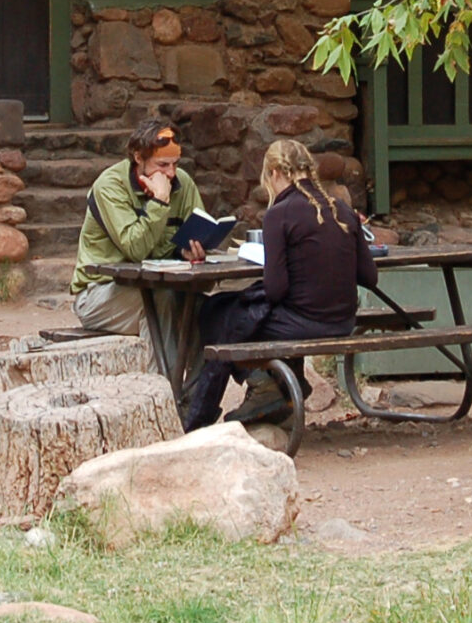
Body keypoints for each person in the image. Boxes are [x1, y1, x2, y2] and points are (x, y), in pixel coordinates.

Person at [181, 139, 373, 432]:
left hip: (304, 323)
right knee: (234, 313)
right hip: (342, 321)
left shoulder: (279, 213)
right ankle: (273, 388)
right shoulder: (342, 210)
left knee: (220, 314)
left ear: (274, 173)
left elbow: (276, 290)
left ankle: (211, 411)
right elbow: (369, 277)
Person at [72, 118, 206, 334]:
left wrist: (190, 250)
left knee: (202, 308)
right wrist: (159, 202)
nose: (171, 173)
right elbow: (136, 249)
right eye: (162, 165)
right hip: (100, 292)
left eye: (175, 164)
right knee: (161, 301)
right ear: (138, 158)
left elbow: (199, 229)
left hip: (161, 284)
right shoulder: (110, 186)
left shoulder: (182, 182)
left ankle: (195, 361)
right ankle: (161, 360)